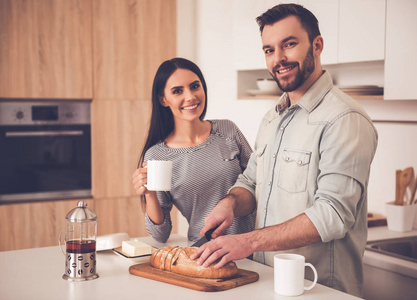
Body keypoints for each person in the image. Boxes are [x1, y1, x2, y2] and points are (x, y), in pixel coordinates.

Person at [191, 4, 378, 297]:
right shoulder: (273, 118)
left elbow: (333, 214)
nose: (278, 58)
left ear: (317, 45)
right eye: (269, 50)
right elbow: (251, 182)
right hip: (266, 282)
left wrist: (247, 242)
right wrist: (230, 203)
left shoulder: (345, 120)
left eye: (289, 44)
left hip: (319, 290)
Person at [132, 57, 255, 243]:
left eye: (195, 86)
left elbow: (259, 182)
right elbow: (160, 234)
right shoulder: (157, 156)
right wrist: (149, 194)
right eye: (177, 91)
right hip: (206, 253)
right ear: (163, 99)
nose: (190, 96)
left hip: (252, 248)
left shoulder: (228, 131)